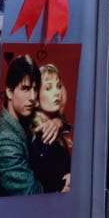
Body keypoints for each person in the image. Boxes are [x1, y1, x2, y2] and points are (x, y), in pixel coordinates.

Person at [0, 55, 44, 196]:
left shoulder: (24, 121)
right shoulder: (5, 141)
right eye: (25, 88)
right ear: (9, 92)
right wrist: (61, 185)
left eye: (35, 89)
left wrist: (57, 123)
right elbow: (32, 194)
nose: (32, 97)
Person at [29, 64, 73, 193]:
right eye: (48, 88)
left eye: (58, 86)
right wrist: (63, 185)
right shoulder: (41, 135)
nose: (57, 92)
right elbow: (44, 181)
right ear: (36, 99)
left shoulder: (56, 128)